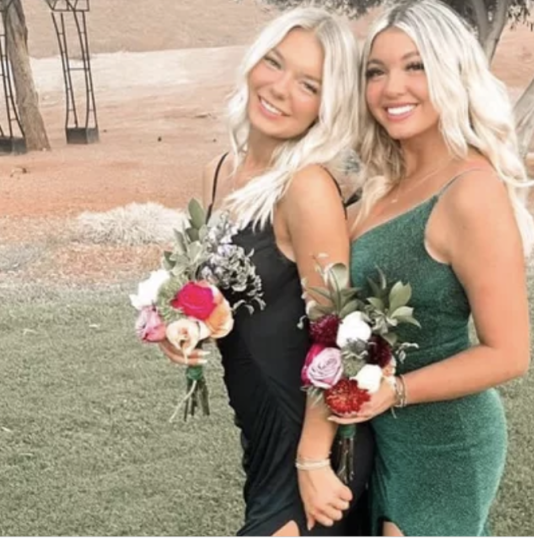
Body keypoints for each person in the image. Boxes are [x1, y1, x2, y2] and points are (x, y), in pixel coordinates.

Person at [157, 7, 373, 536]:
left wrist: (312, 460)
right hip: (261, 438)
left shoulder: (306, 187)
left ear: (327, 105)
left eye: (308, 85)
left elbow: (338, 335)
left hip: (312, 443)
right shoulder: (219, 171)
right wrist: (182, 327)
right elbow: (219, 289)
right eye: (274, 63)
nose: (279, 88)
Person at [334, 0, 534, 536]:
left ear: (452, 73)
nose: (391, 88)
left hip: (443, 442)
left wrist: (395, 392)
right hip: (379, 434)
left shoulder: (471, 190)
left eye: (415, 66)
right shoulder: (381, 185)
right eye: (376, 72)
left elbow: (509, 353)